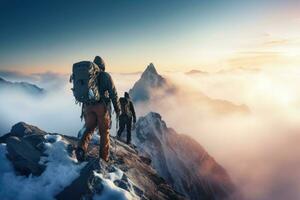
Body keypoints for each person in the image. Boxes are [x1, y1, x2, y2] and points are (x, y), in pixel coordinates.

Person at [76, 56, 120, 162]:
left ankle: (81, 149)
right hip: (101, 107)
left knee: (89, 128)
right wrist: (117, 109)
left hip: (87, 106)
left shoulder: (88, 75)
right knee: (104, 132)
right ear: (103, 66)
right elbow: (113, 94)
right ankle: (103, 159)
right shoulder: (106, 76)